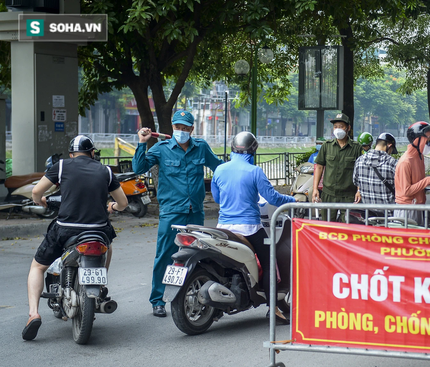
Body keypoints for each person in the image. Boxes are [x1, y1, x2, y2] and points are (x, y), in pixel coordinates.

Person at [22, 135, 128, 341]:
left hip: (66, 230)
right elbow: (122, 203)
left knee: (37, 266)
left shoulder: (61, 166)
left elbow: (36, 191)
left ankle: (33, 313)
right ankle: (100, 283)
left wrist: (41, 201)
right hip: (98, 230)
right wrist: (112, 207)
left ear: (71, 154)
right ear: (93, 153)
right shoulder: (105, 171)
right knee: (109, 246)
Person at [133, 110, 222, 317]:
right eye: (177, 128)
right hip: (171, 212)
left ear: (192, 129)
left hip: (195, 212)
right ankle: (157, 300)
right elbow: (139, 167)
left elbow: (218, 168)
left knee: (198, 255)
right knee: (164, 255)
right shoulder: (161, 149)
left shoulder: (201, 148)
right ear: (172, 128)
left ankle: (197, 294)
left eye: (185, 128)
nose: (181, 131)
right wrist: (142, 142)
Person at [211, 132, 296, 324]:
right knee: (269, 264)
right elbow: (273, 199)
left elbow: (217, 199)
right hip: (248, 227)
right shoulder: (255, 171)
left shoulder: (219, 170)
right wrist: (292, 200)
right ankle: (273, 309)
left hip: (223, 227)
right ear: (252, 151)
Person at [311, 113, 362, 222]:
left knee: (347, 226)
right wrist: (315, 189)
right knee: (328, 225)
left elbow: (360, 171)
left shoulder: (356, 148)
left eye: (341, 126)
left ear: (348, 128)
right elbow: (319, 167)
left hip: (348, 195)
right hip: (329, 193)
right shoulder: (327, 146)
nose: (338, 129)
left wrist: (359, 190)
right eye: (335, 127)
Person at [394, 121, 430, 226]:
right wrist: (427, 180)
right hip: (407, 210)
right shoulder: (405, 161)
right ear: (417, 140)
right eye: (428, 140)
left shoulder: (419, 157)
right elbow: (406, 191)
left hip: (417, 207)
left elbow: (418, 182)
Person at [353, 132, 398, 208]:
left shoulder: (359, 160)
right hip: (388, 214)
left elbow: (356, 182)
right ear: (389, 146)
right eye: (391, 150)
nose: (390, 153)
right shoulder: (393, 163)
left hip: (368, 214)